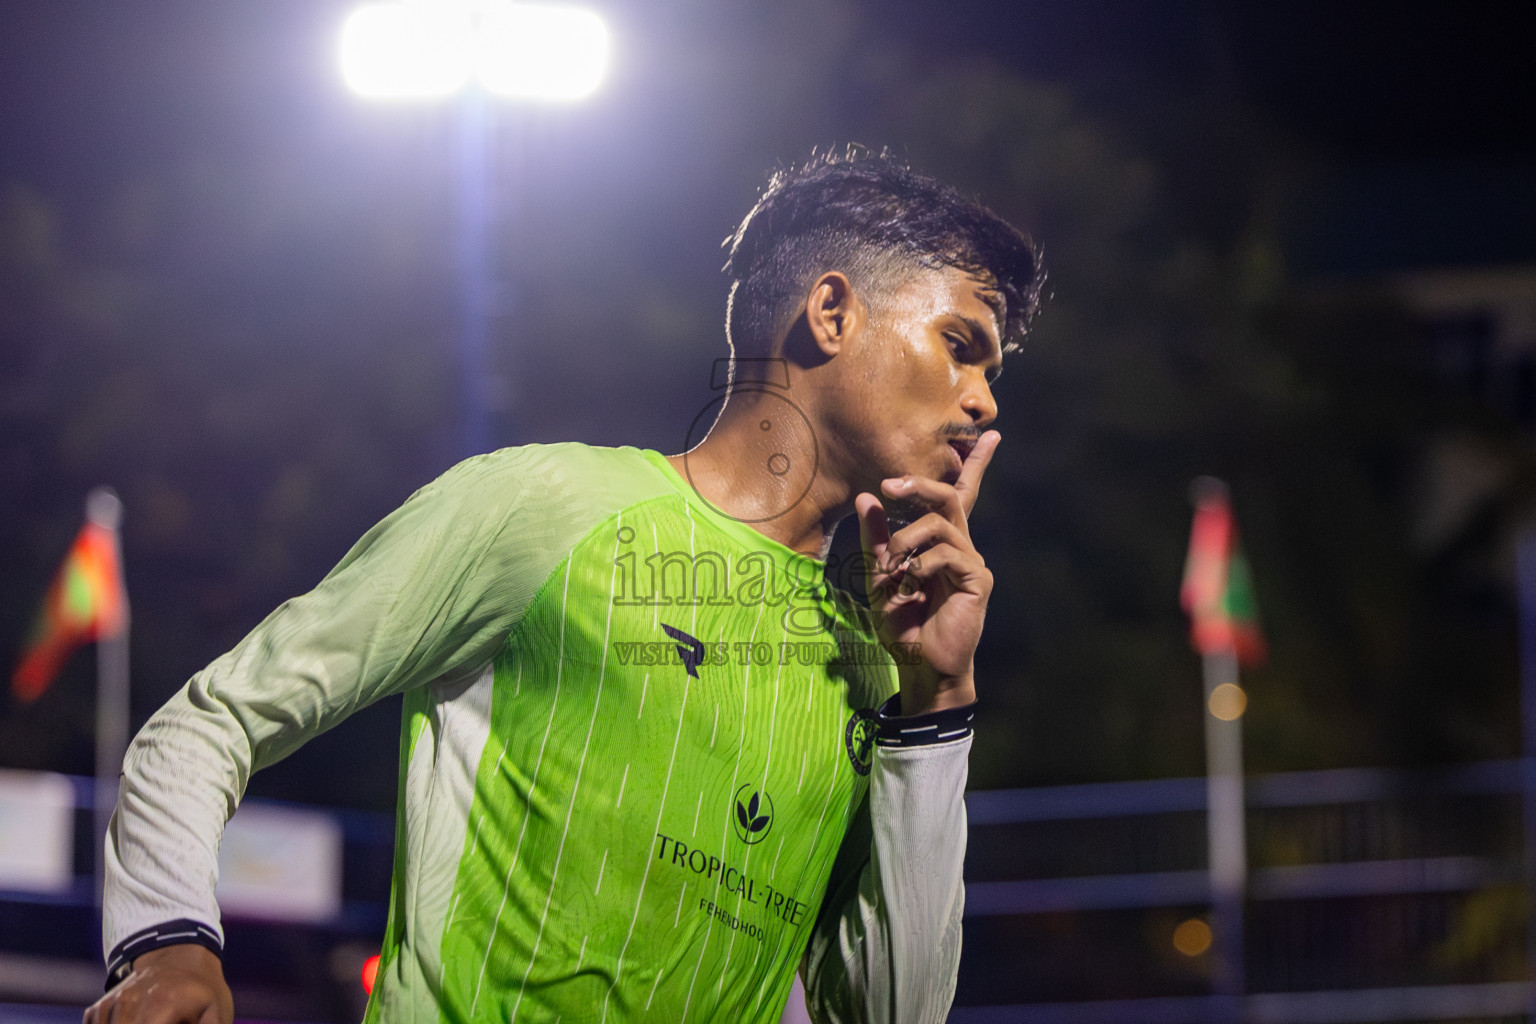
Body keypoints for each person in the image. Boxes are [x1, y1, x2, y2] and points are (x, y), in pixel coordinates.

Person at [84, 149, 1044, 1024]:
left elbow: (887, 1015)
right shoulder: (543, 505)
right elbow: (212, 723)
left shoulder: (879, 659)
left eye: (992, 371)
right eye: (962, 343)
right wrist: (164, 941)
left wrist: (936, 708)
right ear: (831, 313)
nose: (985, 401)